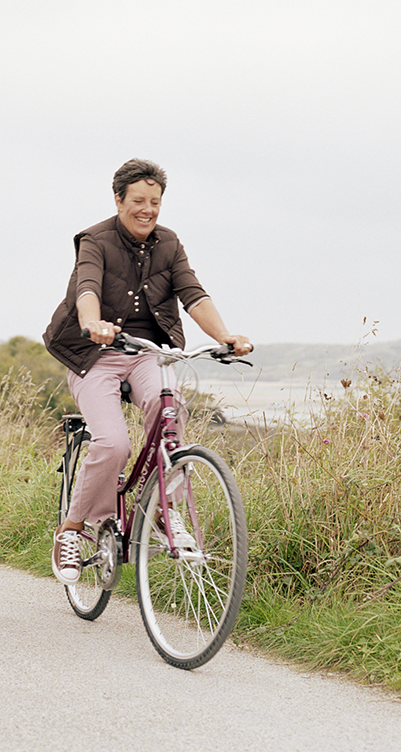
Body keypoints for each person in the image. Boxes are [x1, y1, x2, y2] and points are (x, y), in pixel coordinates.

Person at [43, 158, 252, 583]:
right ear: (118, 199)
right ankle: (72, 527)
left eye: (155, 202)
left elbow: (193, 294)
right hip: (94, 354)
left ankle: (162, 510)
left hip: (147, 352)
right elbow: (87, 287)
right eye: (138, 200)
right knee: (114, 443)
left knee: (169, 408)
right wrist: (94, 323)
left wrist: (224, 335)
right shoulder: (95, 240)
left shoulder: (169, 243)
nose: (148, 209)